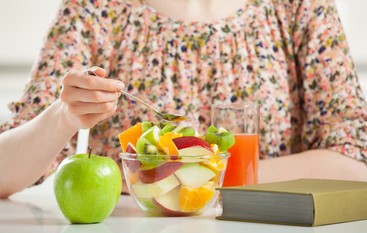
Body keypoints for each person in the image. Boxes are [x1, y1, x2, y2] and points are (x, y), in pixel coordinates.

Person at [0, 0, 366, 198]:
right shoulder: (96, 8)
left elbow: (354, 164)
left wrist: (198, 176)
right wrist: (64, 116)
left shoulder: (300, 6)